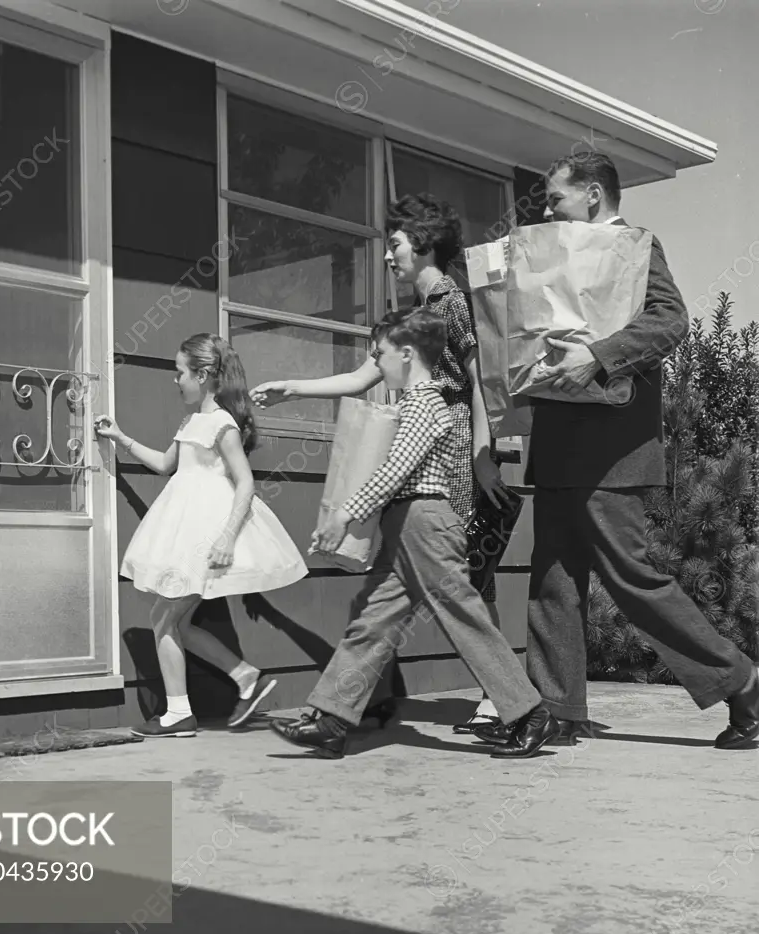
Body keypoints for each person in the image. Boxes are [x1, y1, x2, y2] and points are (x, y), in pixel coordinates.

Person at [473, 151, 758, 752]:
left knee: (631, 576)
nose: (547, 209)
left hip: (612, 448)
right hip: (556, 439)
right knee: (552, 579)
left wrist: (597, 356)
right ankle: (556, 711)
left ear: (594, 196)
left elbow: (670, 322)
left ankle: (744, 682)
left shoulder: (635, 248)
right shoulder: (544, 253)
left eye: (556, 199)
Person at [251, 193, 507, 734]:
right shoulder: (413, 317)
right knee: (409, 593)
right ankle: (349, 707)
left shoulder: (453, 305)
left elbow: (481, 380)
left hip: (448, 459)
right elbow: (363, 378)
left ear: (423, 244)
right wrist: (292, 387)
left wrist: (484, 458)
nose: (388, 256)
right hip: (417, 465)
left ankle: (503, 700)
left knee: (455, 585)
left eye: (394, 245)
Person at [268, 307, 558, 760]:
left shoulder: (425, 402)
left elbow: (394, 469)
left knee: (464, 618)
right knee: (374, 621)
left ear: (406, 354)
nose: (375, 363)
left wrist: (344, 514)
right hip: (405, 526)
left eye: (379, 353)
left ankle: (529, 714)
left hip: (426, 523)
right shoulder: (411, 402)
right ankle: (331, 718)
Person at [95, 333, 308, 738]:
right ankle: (244, 678)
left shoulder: (223, 423)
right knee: (174, 621)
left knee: (163, 617)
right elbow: (164, 465)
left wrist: (227, 537)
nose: (176, 381)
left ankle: (183, 712)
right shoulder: (191, 422)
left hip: (206, 531)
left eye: (181, 373)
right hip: (183, 525)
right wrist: (121, 438)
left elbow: (245, 483)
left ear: (204, 375)